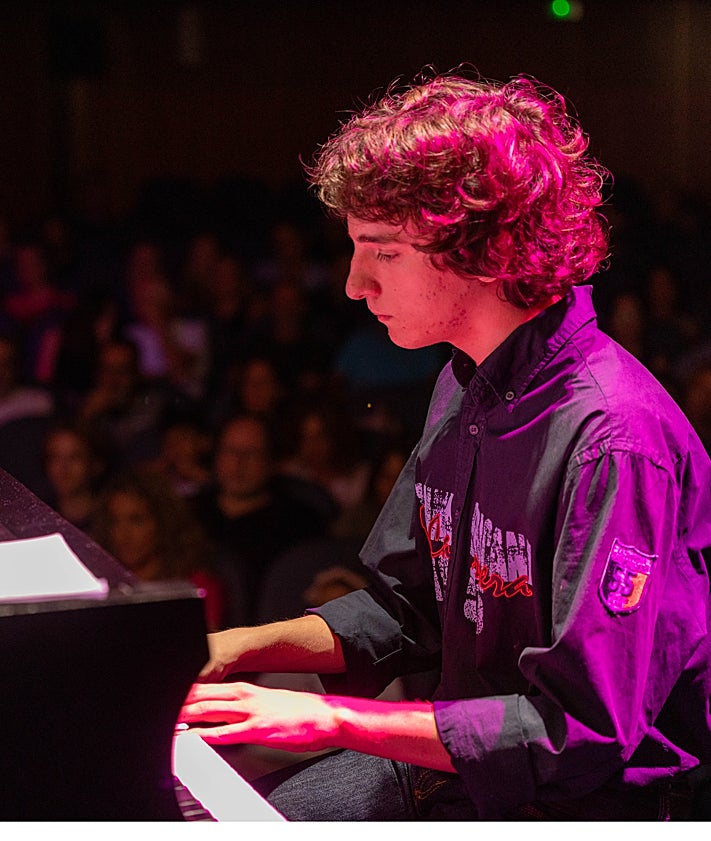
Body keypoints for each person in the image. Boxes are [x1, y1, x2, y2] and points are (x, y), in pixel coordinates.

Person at [178, 71, 711, 821]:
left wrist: (328, 719)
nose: (354, 285)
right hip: (464, 775)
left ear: (486, 249)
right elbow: (406, 609)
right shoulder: (461, 383)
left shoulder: (612, 440)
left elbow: (578, 733)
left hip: (581, 809)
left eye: (383, 251)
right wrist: (233, 645)